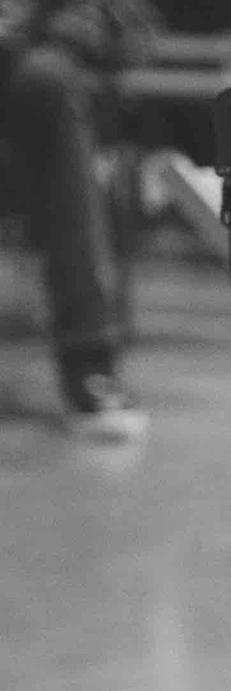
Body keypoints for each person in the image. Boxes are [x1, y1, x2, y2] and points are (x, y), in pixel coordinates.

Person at [2, 0, 145, 439]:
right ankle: (89, 357)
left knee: (48, 80)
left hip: (34, 73)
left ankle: (88, 356)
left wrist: (43, 27)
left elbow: (127, 29)